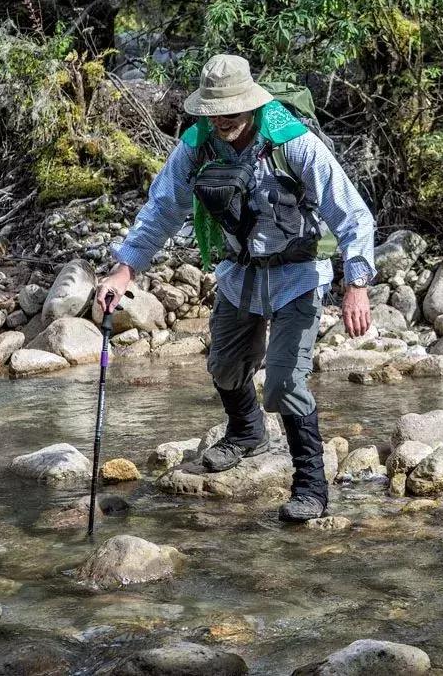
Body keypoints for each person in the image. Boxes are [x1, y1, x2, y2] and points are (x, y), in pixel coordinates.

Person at [95, 54, 376, 522]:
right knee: (225, 367)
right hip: (239, 273)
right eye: (213, 111)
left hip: (298, 274)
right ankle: (247, 432)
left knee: (285, 383)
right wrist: (126, 269)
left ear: (252, 103)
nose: (222, 119)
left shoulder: (294, 142)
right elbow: (162, 208)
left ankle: (311, 486)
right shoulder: (197, 145)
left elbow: (352, 214)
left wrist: (357, 283)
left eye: (230, 110)